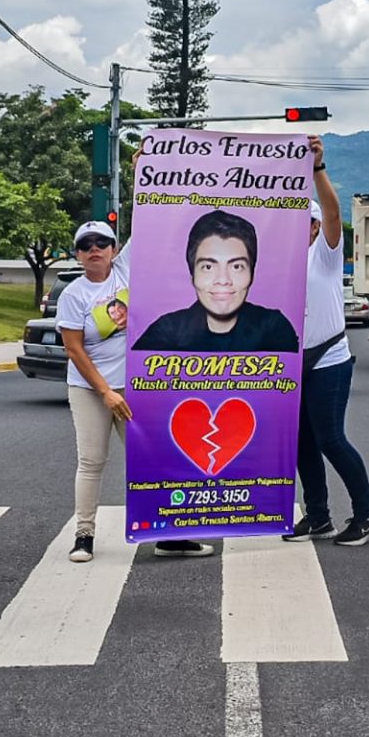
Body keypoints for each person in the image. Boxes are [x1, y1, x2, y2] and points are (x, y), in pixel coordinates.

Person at [57, 220, 212, 564]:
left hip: (136, 387)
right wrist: (106, 393)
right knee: (92, 461)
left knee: (153, 459)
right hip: (90, 389)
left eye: (102, 243)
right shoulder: (73, 295)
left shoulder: (125, 270)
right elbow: (74, 350)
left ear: (114, 249)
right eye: (86, 245)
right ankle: (84, 535)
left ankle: (168, 536)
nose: (94, 250)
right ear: (77, 254)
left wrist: (157, 176)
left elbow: (149, 217)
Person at [283, 136, 369, 547]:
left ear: (314, 227)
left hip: (328, 359)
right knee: (301, 443)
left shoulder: (324, 255)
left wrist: (318, 169)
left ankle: (367, 510)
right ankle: (318, 516)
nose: (300, 228)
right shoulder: (277, 260)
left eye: (306, 222)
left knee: (330, 438)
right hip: (294, 363)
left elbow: (332, 212)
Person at [133, 209, 299, 353]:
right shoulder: (167, 331)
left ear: (252, 275)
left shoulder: (273, 327)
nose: (223, 280)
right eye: (208, 267)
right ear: (192, 276)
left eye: (236, 267)